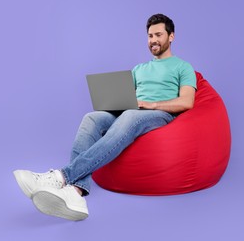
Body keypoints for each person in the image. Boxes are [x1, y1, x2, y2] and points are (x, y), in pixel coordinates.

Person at [13, 13, 197, 221]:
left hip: (160, 114)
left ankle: (60, 177)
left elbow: (186, 102)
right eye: (149, 36)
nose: (153, 40)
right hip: (132, 111)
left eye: (158, 35)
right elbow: (128, 98)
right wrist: (114, 102)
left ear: (171, 36)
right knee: (91, 117)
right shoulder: (139, 69)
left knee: (129, 116)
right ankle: (76, 193)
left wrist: (152, 104)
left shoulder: (183, 67)